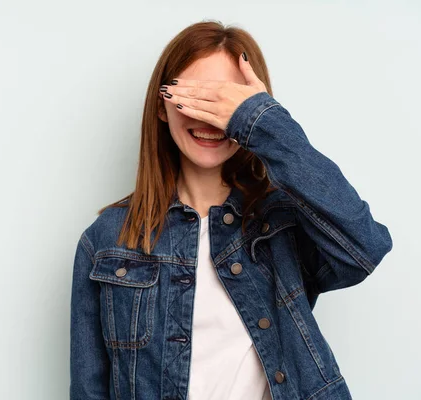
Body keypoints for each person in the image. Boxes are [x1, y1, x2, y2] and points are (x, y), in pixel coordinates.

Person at [70, 20, 393, 400]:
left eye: (227, 102)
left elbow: (365, 247)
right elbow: (89, 390)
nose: (210, 117)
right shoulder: (107, 240)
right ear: (162, 105)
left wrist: (262, 121)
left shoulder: (281, 222)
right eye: (195, 97)